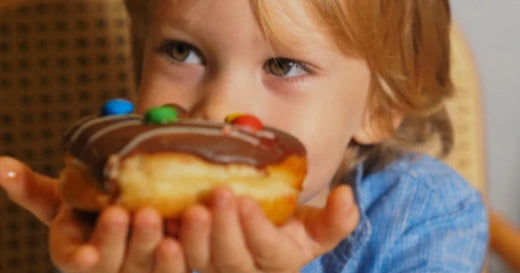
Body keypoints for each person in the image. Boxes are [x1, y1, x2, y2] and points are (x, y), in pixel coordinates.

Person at [0, 0, 488, 272]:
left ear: (381, 105)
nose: (217, 109)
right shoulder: (122, 221)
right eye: (182, 51)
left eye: (283, 65)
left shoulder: (427, 216)